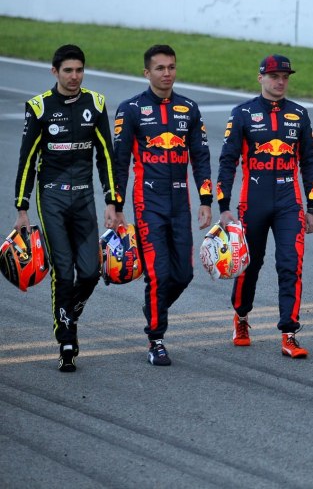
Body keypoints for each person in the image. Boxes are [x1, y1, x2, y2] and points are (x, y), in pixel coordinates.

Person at [14, 44, 118, 372]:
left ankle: (68, 313)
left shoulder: (96, 103)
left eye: (79, 70)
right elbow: (27, 160)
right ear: (54, 72)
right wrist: (22, 208)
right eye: (68, 70)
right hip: (52, 198)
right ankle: (67, 339)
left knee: (90, 271)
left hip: (84, 198)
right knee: (64, 270)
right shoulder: (39, 107)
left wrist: (112, 202)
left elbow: (106, 156)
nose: (74, 76)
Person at [112, 44, 212, 366]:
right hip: (148, 201)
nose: (167, 73)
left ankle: (154, 308)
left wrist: (206, 200)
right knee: (158, 272)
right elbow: (119, 162)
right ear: (147, 73)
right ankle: (156, 339)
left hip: (180, 202)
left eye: (171, 67)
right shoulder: (130, 109)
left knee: (183, 275)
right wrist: (115, 204)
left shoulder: (189, 108)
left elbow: (201, 157)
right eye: (160, 68)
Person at [217, 54, 313, 358]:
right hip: (254, 201)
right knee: (250, 264)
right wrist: (223, 205)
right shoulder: (242, 113)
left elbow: (309, 162)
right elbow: (227, 161)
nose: (280, 82)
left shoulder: (299, 114)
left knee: (291, 264)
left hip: (289, 202)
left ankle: (289, 333)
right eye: (274, 76)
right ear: (260, 78)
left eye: (285, 77)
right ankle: (241, 316)